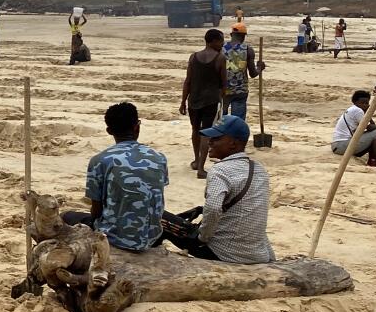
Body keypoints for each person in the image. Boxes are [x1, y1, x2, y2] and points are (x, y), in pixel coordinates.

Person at [162, 116, 274, 263]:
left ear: (233, 144)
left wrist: (202, 238)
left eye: (216, 139)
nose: (210, 142)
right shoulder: (258, 169)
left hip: (225, 252)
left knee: (158, 217)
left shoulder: (220, 171)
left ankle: (152, 261)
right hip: (257, 252)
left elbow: (214, 209)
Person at [61, 102, 168, 252]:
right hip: (152, 236)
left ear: (109, 130)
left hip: (115, 238)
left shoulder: (100, 160)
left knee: (66, 216)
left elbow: (96, 210)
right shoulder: (159, 157)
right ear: (137, 126)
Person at [180, 28, 227, 178]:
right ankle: (201, 168)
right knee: (206, 132)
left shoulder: (193, 57)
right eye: (221, 40)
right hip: (210, 100)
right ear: (212, 41)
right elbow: (224, 83)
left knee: (195, 130)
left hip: (193, 100)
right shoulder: (220, 59)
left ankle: (196, 161)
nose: (222, 43)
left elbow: (188, 81)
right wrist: (222, 99)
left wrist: (182, 102)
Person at [332, 89, 376, 167]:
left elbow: (371, 126)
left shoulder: (352, 109)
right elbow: (369, 127)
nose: (365, 105)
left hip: (338, 145)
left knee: (374, 135)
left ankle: (372, 162)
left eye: (366, 103)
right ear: (355, 102)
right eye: (362, 103)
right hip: (342, 145)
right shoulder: (357, 111)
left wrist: (368, 113)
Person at [222, 23, 264, 119]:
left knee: (219, 120)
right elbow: (253, 73)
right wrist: (260, 68)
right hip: (240, 90)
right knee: (237, 121)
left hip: (223, 89)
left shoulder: (221, 48)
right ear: (244, 36)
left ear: (231, 34)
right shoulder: (248, 50)